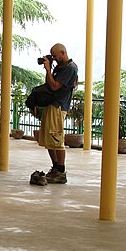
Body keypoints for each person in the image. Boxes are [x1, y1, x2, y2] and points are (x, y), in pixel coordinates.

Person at [37, 43, 78, 184]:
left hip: (58, 106)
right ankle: (55, 167)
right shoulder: (60, 68)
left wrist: (49, 70)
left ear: (62, 52)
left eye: (55, 56)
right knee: (49, 139)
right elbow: (49, 83)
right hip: (51, 105)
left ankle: (61, 170)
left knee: (56, 138)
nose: (53, 58)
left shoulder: (70, 68)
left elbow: (55, 86)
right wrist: (49, 70)